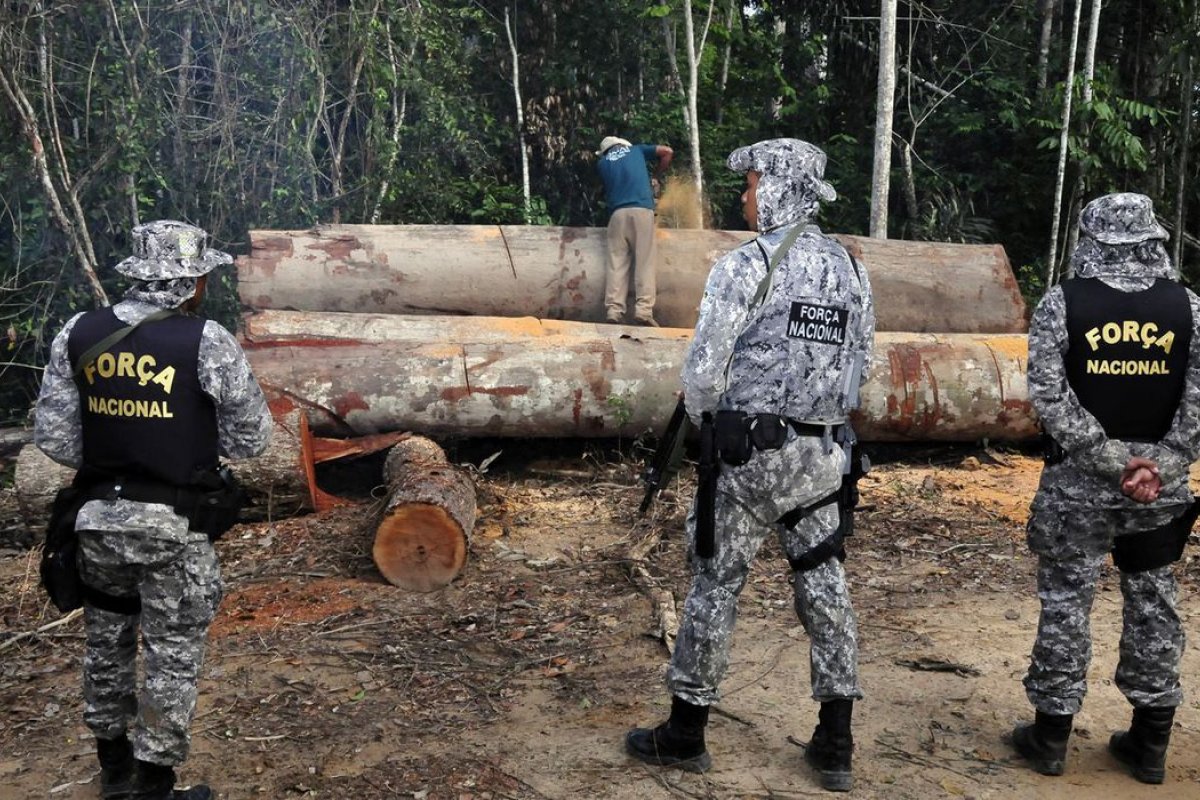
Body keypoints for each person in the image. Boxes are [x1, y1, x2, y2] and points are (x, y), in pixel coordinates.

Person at [624, 139, 875, 792]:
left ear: (783, 187)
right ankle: (837, 739)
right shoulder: (852, 270)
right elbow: (861, 367)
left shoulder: (744, 266)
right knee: (824, 585)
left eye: (754, 182)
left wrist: (715, 419)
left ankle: (685, 732)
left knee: (714, 584)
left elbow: (703, 375)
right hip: (823, 458)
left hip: (749, 462)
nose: (745, 194)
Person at [34, 220, 274, 800]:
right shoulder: (207, 339)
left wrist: (119, 446)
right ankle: (155, 786)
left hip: (96, 525)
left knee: (106, 642)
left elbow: (53, 437)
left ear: (141, 274)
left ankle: (113, 771)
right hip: (173, 529)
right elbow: (252, 438)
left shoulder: (78, 330)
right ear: (191, 281)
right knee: (171, 655)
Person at [1011, 193, 1200, 785]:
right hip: (1158, 493)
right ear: (1150, 237)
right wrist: (1159, 465)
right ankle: (1149, 743)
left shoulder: (1062, 303)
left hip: (1077, 486)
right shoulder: (1190, 308)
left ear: (1090, 238)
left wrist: (1108, 457)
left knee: (1067, 600)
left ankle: (1049, 737)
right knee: (1153, 602)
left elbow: (1048, 395)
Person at [595, 135, 673, 326]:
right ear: (623, 144)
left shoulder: (602, 163)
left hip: (617, 215)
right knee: (644, 261)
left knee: (616, 263)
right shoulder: (636, 150)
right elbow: (667, 152)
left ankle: (614, 311)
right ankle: (643, 311)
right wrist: (656, 175)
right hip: (641, 211)